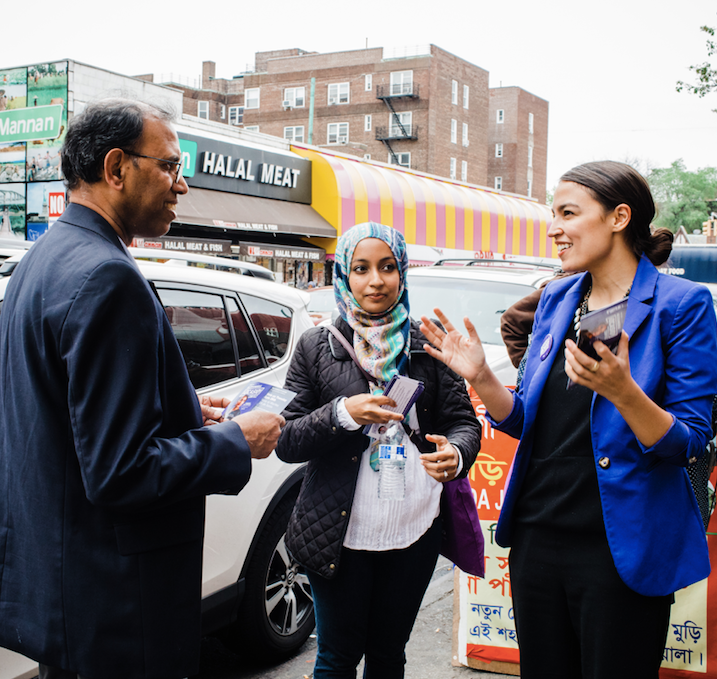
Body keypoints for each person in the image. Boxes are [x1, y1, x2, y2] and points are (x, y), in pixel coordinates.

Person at [0, 99, 284, 679]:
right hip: (118, 608)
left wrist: (178, 413)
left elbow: (62, 418)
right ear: (116, 168)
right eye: (171, 167)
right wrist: (236, 440)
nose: (181, 186)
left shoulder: (42, 259)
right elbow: (121, 472)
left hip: (65, 594)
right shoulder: (108, 277)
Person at [420, 161, 717, 679]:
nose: (553, 227)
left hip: (621, 546)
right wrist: (484, 379)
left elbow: (688, 441)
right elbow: (530, 421)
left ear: (619, 217)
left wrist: (624, 394)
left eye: (568, 213)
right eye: (552, 214)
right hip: (538, 536)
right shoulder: (559, 297)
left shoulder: (682, 305)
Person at [276, 222, 481, 678]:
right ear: (344, 277)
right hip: (338, 535)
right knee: (337, 658)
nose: (376, 280)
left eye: (388, 267)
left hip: (414, 531)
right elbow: (286, 439)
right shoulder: (317, 346)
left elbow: (463, 422)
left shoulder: (426, 344)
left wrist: (458, 453)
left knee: (389, 655)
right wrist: (343, 412)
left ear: (403, 272)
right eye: (361, 268)